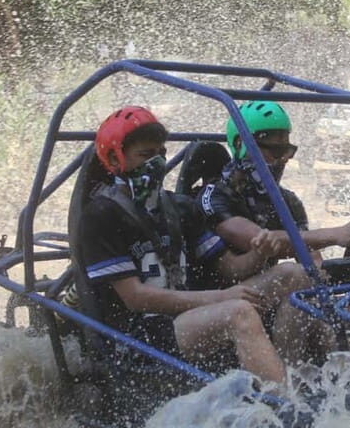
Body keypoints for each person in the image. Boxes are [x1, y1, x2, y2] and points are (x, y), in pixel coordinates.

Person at [78, 106, 287, 385]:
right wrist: (221, 298)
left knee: (293, 277)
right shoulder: (101, 215)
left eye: (160, 154)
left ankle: (305, 382)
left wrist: (261, 251)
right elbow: (136, 297)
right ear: (116, 159)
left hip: (189, 317)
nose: (156, 163)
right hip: (138, 338)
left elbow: (232, 270)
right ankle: (284, 406)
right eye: (145, 155)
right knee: (238, 312)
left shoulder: (178, 207)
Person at [197, 100, 350, 362]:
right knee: (293, 280)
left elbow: (313, 265)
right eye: (272, 148)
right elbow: (257, 238)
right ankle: (285, 389)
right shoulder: (215, 196)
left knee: (317, 300)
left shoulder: (287, 200)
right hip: (220, 301)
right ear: (240, 146)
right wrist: (336, 233)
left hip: (269, 296)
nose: (282, 159)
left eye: (287, 150)